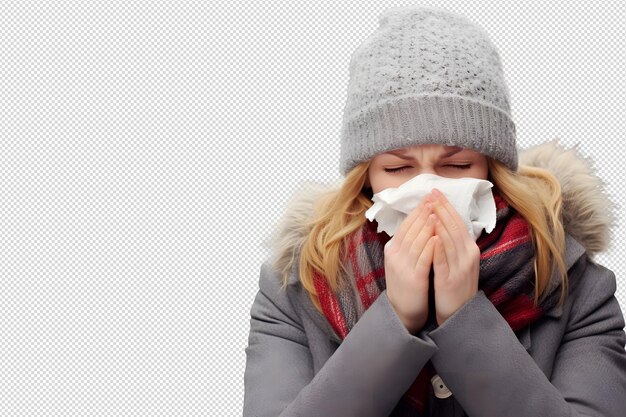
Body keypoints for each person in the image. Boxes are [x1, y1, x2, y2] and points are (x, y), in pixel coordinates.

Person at [243, 5, 626, 417]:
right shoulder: (296, 288)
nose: (428, 191)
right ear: (367, 176)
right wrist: (393, 321)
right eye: (397, 168)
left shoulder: (575, 286)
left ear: (492, 170)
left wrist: (465, 317)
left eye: (457, 166)